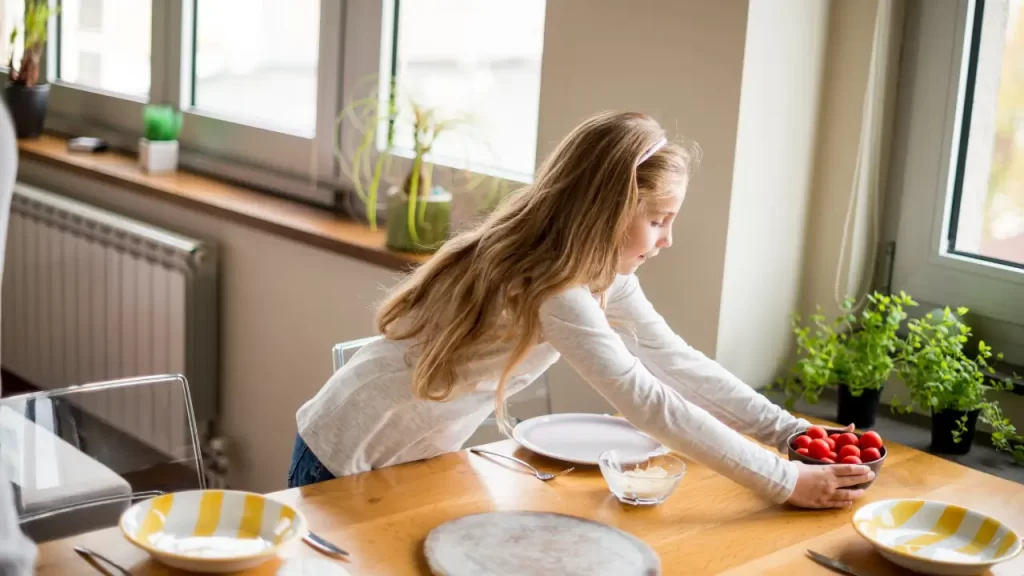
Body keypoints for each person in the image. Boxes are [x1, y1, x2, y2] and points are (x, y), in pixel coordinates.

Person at [292, 111, 873, 509]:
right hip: (344, 455)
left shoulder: (599, 276)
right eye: (658, 220)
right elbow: (648, 401)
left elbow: (676, 362)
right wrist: (783, 480)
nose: (667, 240)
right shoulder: (553, 289)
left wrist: (788, 430)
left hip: (408, 459)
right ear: (608, 212)